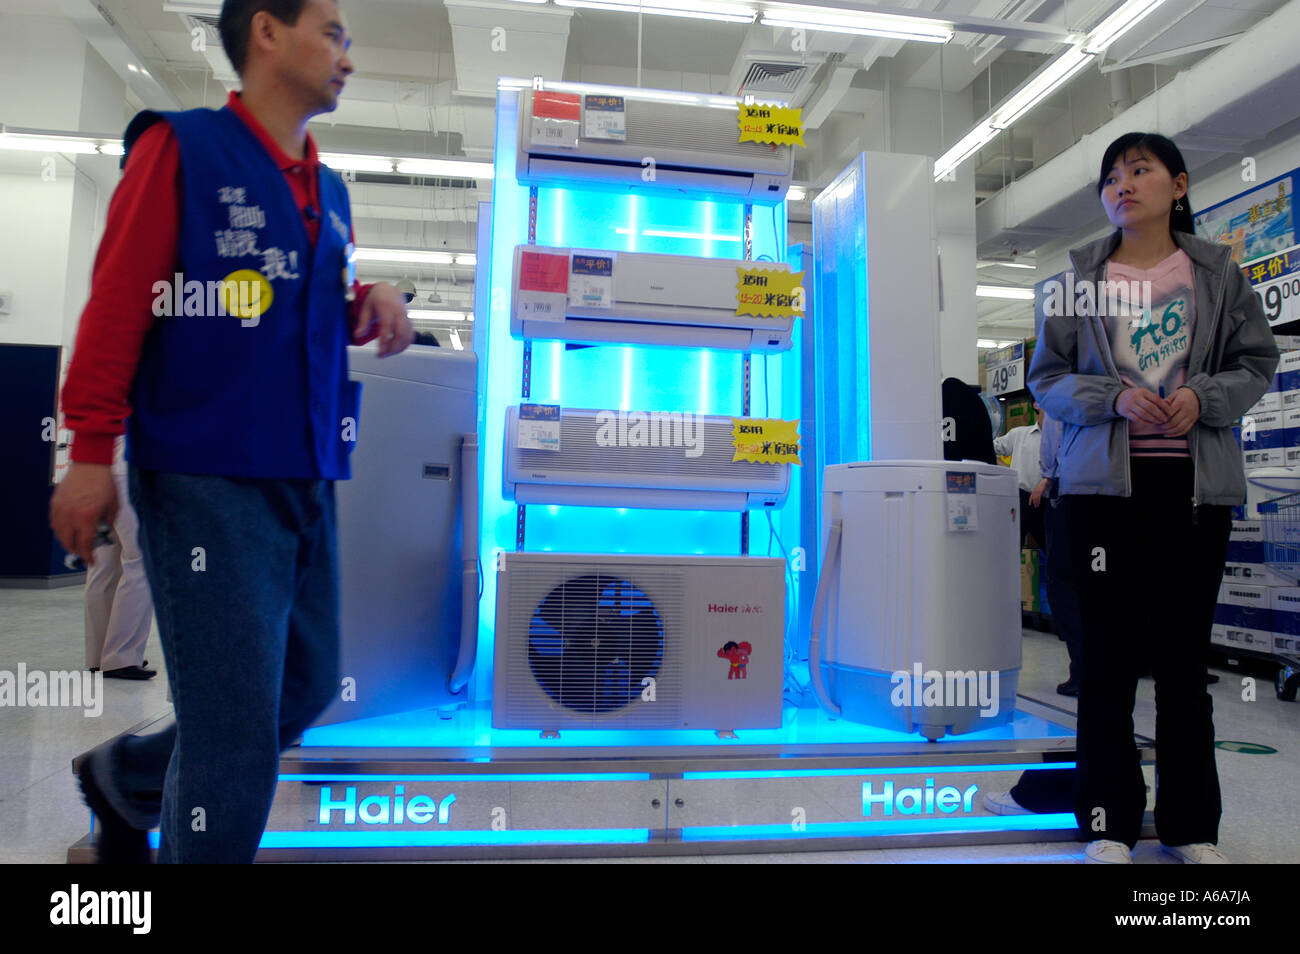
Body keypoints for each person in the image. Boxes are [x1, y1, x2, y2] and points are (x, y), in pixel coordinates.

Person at [50, 0, 413, 863]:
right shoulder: (179, 150)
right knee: (235, 733)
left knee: (305, 685)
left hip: (309, 474)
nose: (347, 59)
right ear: (266, 31)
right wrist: (90, 454)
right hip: (206, 475)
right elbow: (116, 305)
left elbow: (307, 310)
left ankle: (128, 779)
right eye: (334, 33)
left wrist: (368, 303)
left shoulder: (328, 189)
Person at [1027, 132, 1277, 864]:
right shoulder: (1077, 279)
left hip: (1190, 491)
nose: (1121, 185)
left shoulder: (1218, 274)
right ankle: (1106, 823)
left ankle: (1190, 827)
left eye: (1139, 170)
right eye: (1110, 176)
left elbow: (1256, 360)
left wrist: (1203, 396)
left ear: (1179, 183)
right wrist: (1114, 398)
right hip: (1104, 489)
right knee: (1104, 662)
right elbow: (1046, 377)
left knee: (1180, 663)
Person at [82, 436, 157, 680]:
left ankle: (99, 656)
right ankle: (121, 656)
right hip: (127, 471)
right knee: (141, 562)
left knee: (103, 565)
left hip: (97, 473)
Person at [993, 403, 1045, 548]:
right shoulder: (1019, 434)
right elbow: (990, 448)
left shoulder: (1063, 436)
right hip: (1019, 497)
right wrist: (1009, 471)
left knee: (1055, 551)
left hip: (1048, 500)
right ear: (1036, 405)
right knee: (1011, 548)